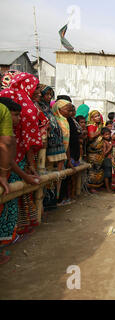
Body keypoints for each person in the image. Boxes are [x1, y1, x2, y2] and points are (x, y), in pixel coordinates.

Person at [0, 72, 45, 234]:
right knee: (8, 195)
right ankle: (5, 236)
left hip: (17, 153)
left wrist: (30, 162)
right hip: (9, 154)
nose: (38, 91)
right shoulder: (9, 96)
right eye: (36, 87)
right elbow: (10, 140)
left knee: (17, 193)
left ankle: (13, 232)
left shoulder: (26, 100)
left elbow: (25, 134)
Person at [0, 98, 40, 264]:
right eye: (15, 115)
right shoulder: (3, 115)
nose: (17, 119)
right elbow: (8, 153)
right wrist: (22, 177)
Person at [86, 110, 105, 192]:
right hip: (93, 151)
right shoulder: (91, 125)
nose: (98, 118)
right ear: (91, 118)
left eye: (98, 116)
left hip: (99, 151)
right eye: (95, 116)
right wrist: (100, 131)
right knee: (93, 169)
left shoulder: (99, 125)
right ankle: (91, 187)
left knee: (99, 169)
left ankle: (97, 185)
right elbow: (91, 136)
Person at [101, 127, 113, 193]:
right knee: (107, 175)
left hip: (111, 160)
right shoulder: (104, 143)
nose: (108, 136)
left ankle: (110, 187)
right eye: (106, 134)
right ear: (102, 135)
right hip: (107, 160)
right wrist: (110, 147)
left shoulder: (109, 141)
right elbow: (104, 154)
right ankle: (107, 188)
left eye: (109, 134)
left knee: (110, 174)